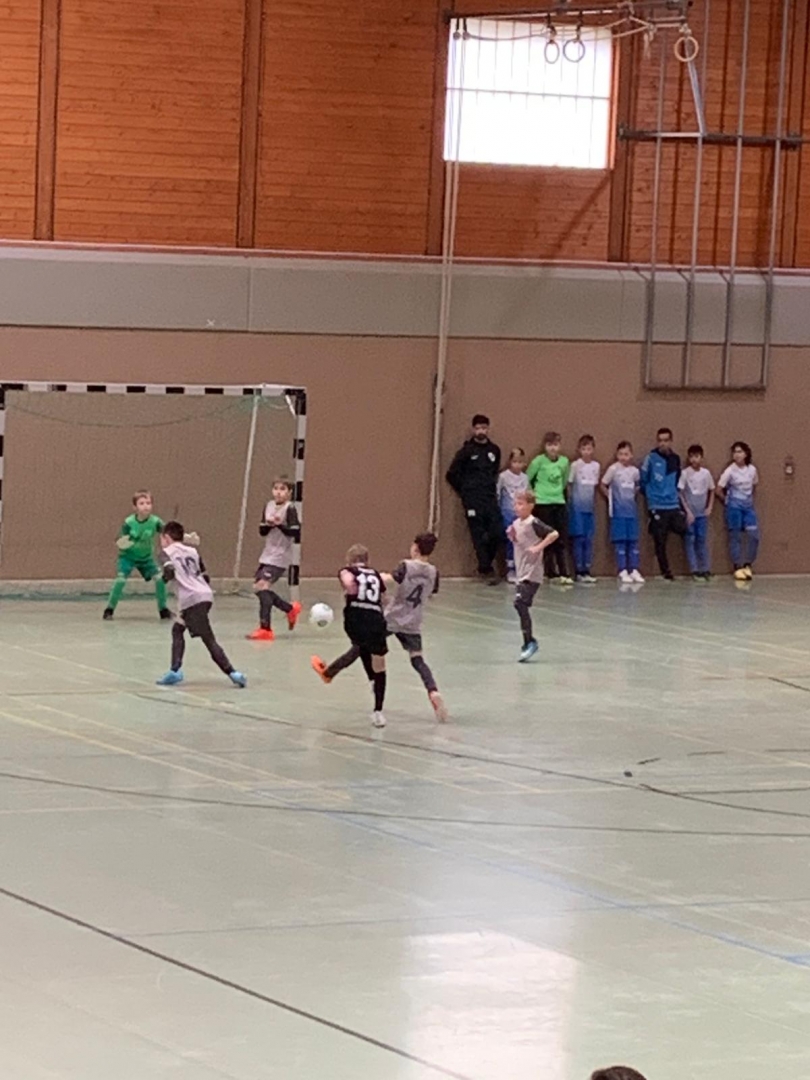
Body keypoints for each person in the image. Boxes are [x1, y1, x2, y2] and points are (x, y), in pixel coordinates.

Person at [155, 521, 247, 688]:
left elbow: (169, 571)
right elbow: (205, 576)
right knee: (177, 629)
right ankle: (175, 670)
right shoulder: (193, 551)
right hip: (204, 595)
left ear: (166, 538)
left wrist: (163, 579)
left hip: (191, 599)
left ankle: (232, 672)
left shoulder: (165, 553)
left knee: (208, 638)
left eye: (161, 539)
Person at [311, 544, 389, 727]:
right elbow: (384, 599)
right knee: (378, 663)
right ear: (367, 560)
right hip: (376, 618)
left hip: (356, 616)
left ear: (349, 560)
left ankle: (330, 672)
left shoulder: (347, 571)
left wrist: (352, 590)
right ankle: (378, 711)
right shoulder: (375, 575)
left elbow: (349, 583)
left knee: (360, 646)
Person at [384, 532, 447, 722]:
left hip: (393, 618)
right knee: (418, 660)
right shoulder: (433, 572)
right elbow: (432, 593)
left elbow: (389, 579)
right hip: (413, 621)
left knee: (362, 645)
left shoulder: (406, 566)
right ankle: (433, 690)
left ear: (416, 547)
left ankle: (330, 672)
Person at [446, 414, 502, 580]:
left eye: (484, 428)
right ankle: (485, 569)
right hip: (472, 499)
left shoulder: (494, 450)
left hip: (490, 497)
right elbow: (451, 474)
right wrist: (465, 491)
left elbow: (494, 471)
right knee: (477, 534)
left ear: (488, 429)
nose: (481, 431)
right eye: (478, 428)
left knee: (497, 532)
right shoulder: (466, 451)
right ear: (473, 429)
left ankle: (487, 563)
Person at [246, 478, 302, 641]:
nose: (278, 492)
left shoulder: (289, 508)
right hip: (267, 553)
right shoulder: (269, 506)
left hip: (280, 555)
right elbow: (262, 531)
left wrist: (279, 524)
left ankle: (266, 629)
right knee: (258, 588)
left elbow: (295, 532)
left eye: (282, 489)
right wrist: (268, 525)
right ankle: (289, 609)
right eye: (276, 488)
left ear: (289, 492)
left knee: (263, 586)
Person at [506, 490, 558, 662]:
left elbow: (553, 534)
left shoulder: (533, 522)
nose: (517, 507)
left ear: (530, 506)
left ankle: (530, 642)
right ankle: (527, 642)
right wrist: (512, 537)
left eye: (521, 504)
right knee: (520, 606)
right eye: (515, 504)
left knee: (520, 603)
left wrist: (538, 547)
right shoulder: (516, 524)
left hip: (532, 572)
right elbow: (520, 543)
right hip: (521, 572)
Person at [103, 490, 171, 621]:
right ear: (135, 507)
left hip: (146, 559)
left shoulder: (155, 521)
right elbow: (120, 539)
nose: (146, 506)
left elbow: (170, 533)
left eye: (148, 503)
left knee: (159, 579)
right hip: (127, 558)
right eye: (142, 503)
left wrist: (186, 537)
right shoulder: (129, 523)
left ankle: (163, 609)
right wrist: (126, 542)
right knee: (120, 580)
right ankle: (109, 609)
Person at [527, 431, 573, 585]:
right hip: (542, 503)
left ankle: (564, 572)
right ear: (545, 446)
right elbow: (527, 478)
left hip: (558, 502)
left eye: (555, 445)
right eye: (549, 445)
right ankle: (550, 571)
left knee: (560, 538)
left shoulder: (564, 462)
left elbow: (564, 481)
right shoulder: (538, 461)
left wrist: (558, 494)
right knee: (547, 538)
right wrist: (534, 495)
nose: (553, 448)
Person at [640, 427, 685, 580]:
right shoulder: (651, 458)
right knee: (660, 540)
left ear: (671, 441)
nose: (662, 443)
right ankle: (665, 571)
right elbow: (643, 479)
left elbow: (677, 480)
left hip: (673, 504)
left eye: (666, 440)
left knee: (683, 529)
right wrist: (651, 495)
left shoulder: (675, 459)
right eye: (660, 440)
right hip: (657, 505)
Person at [601, 441, 644, 585]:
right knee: (620, 542)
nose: (623, 457)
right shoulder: (613, 469)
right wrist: (611, 498)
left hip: (631, 512)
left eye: (626, 454)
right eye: (621, 454)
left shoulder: (635, 471)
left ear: (631, 455)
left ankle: (634, 569)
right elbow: (603, 484)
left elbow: (637, 486)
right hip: (618, 513)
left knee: (633, 542)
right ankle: (622, 570)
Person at [717, 440, 759, 580]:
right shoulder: (730, 470)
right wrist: (727, 501)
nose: (737, 455)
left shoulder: (752, 470)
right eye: (735, 452)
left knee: (753, 535)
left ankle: (748, 563)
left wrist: (749, 499)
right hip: (734, 507)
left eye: (740, 452)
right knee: (735, 536)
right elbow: (718, 489)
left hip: (748, 506)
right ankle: (737, 565)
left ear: (746, 454)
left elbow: (754, 485)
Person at [678, 444, 715, 581]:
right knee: (690, 540)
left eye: (697, 456)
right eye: (691, 457)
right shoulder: (685, 473)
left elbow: (712, 490)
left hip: (702, 514)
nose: (694, 459)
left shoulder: (706, 473)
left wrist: (709, 507)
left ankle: (705, 569)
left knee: (701, 540)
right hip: (690, 514)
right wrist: (687, 511)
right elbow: (680, 492)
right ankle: (694, 570)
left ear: (701, 457)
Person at [568, 434, 600, 584]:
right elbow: (569, 485)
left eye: (589, 448)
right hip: (577, 508)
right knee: (579, 539)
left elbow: (594, 486)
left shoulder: (596, 466)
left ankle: (587, 570)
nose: (587, 452)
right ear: (579, 450)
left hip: (589, 508)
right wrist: (571, 504)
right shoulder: (575, 465)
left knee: (588, 539)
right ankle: (579, 571)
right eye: (584, 449)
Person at [497, 448, 530, 583]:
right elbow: (498, 494)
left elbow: (527, 496)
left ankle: (520, 569)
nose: (517, 465)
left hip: (521, 516)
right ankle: (510, 569)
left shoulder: (525, 478)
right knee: (511, 541)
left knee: (521, 542)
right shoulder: (503, 477)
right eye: (514, 462)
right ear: (510, 462)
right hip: (508, 514)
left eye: (520, 462)